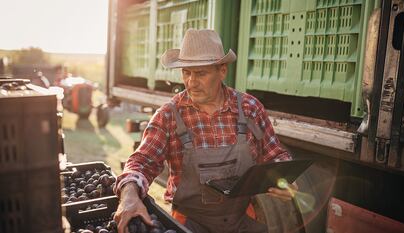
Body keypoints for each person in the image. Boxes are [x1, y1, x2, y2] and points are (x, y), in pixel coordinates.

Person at [114, 29, 298, 233]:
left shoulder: (250, 108)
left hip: (241, 219)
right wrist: (129, 194)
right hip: (190, 223)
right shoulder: (168, 115)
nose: (191, 82)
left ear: (222, 71)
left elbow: (275, 154)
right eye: (186, 72)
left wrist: (283, 179)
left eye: (201, 73)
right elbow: (141, 163)